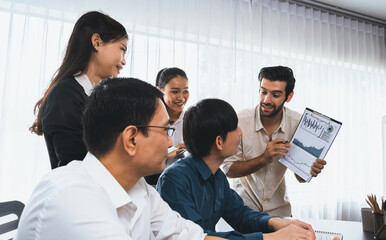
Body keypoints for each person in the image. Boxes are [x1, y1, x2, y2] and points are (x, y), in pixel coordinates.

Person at [16, 78, 225, 240]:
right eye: (164, 130)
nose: (170, 144)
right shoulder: (74, 198)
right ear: (131, 139)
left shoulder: (139, 188)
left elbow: (188, 235)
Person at [157, 98, 316, 240]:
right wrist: (271, 238)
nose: (240, 132)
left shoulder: (217, 176)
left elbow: (240, 214)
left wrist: (276, 223)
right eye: (235, 128)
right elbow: (199, 236)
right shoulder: (174, 180)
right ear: (219, 142)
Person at [222, 66, 327, 217]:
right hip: (243, 211)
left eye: (275, 95)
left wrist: (309, 170)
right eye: (263, 91)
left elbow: (301, 178)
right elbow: (229, 169)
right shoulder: (240, 121)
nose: (266, 100)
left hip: (280, 211)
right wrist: (264, 159)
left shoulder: (299, 124)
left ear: (289, 96)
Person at [29, 11, 128, 169]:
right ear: (96, 42)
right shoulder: (65, 94)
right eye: (122, 49)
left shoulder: (95, 95)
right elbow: (76, 163)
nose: (124, 61)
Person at [145, 67, 189, 185]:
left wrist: (191, 147)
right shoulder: (149, 120)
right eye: (175, 92)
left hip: (181, 184)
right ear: (160, 90)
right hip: (152, 184)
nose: (181, 97)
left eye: (185, 91)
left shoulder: (191, 120)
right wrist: (165, 155)